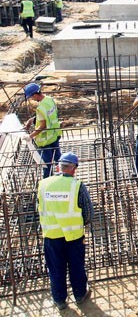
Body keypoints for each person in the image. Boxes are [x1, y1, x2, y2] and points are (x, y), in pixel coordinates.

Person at [38, 152, 93, 310]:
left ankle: (59, 299)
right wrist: (82, 223)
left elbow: (39, 208)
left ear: (57, 167)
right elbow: (88, 211)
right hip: (73, 235)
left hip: (51, 235)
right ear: (74, 169)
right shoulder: (77, 185)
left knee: (56, 267)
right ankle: (80, 294)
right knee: (76, 266)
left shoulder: (43, 184)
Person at [23, 83, 61, 178]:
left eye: (31, 97)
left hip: (45, 141)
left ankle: (47, 182)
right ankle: (63, 176)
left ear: (35, 94)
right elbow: (48, 116)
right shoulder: (50, 99)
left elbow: (42, 126)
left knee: (46, 164)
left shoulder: (40, 108)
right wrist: (31, 120)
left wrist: (30, 136)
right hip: (55, 134)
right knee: (59, 160)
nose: (32, 99)